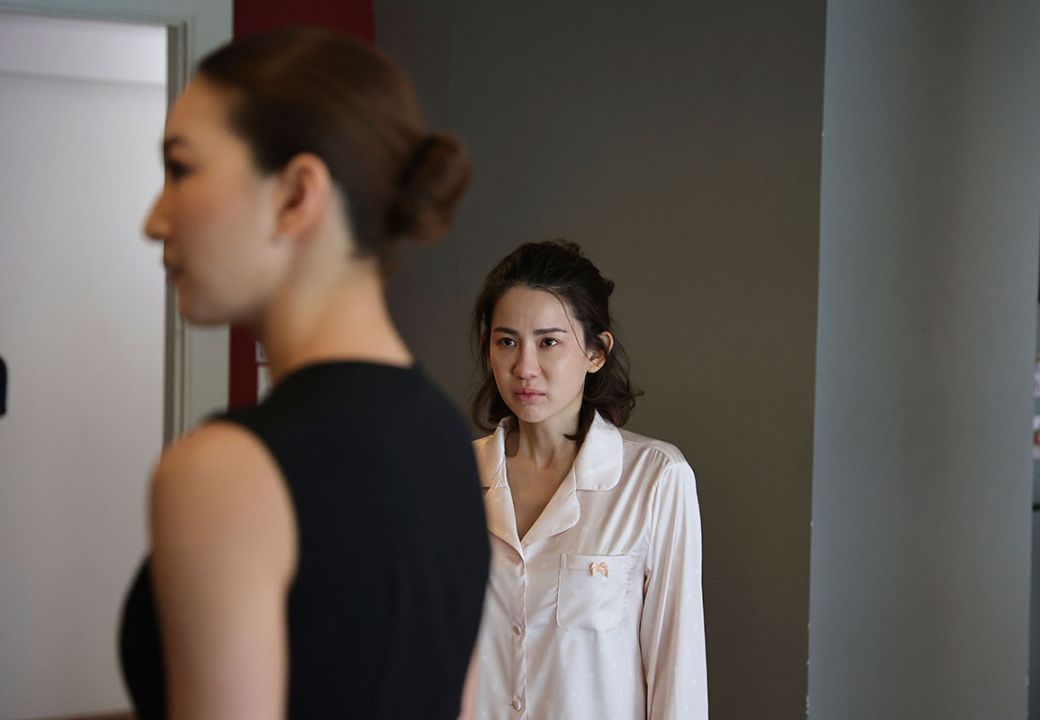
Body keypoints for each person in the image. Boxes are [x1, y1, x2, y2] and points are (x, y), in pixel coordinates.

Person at [119, 27, 489, 719]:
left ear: (296, 195)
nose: (155, 220)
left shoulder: (224, 471)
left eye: (181, 169)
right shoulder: (448, 442)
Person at [466, 240, 708, 719]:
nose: (524, 367)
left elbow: (677, 676)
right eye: (507, 341)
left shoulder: (655, 479)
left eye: (549, 342)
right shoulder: (448, 478)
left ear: (596, 352)